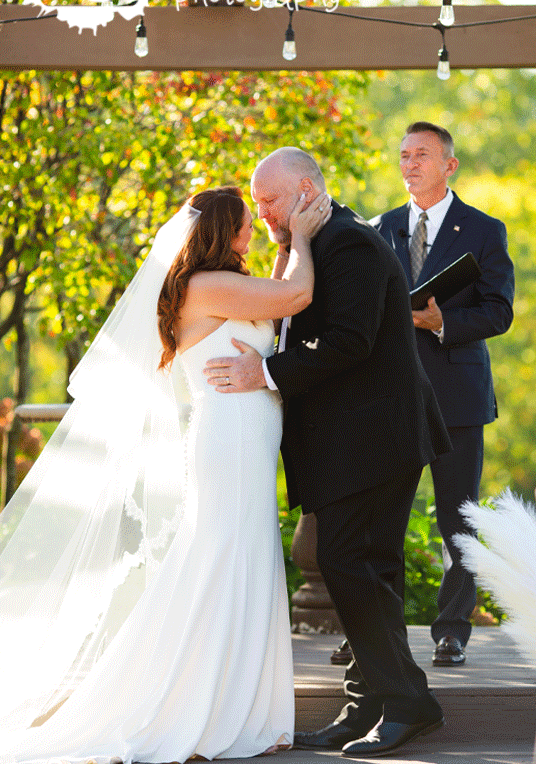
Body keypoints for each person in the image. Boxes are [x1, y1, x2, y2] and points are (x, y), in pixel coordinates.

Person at [0, 185, 330, 762]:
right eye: (246, 225)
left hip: (245, 440)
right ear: (220, 233)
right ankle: (198, 708)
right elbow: (295, 296)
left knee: (245, 557)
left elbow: (275, 296)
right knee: (221, 558)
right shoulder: (205, 287)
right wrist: (300, 236)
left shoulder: (219, 285)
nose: (253, 231)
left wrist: (283, 248)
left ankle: (248, 708)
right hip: (229, 441)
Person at [204, 147, 453, 757]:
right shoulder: (318, 245)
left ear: (309, 191)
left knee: (351, 567)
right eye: (258, 202)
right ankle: (366, 706)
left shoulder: (351, 245)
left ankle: (409, 705)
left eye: (272, 200)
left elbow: (349, 341)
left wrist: (263, 373)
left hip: (374, 441)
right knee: (366, 572)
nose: (262, 212)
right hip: (353, 444)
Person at [371, 121, 515, 667]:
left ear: (449, 165)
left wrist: (440, 322)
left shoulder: (483, 229)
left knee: (458, 519)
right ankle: (372, 632)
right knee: (383, 517)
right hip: (392, 397)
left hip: (456, 395)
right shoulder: (379, 228)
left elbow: (499, 311)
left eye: (422, 155)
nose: (410, 164)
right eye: (404, 155)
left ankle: (452, 630)